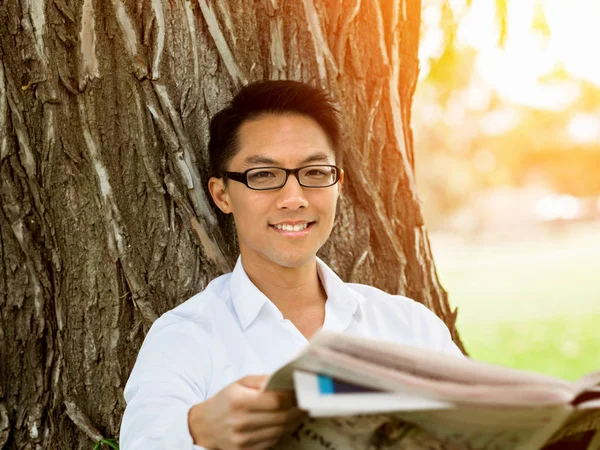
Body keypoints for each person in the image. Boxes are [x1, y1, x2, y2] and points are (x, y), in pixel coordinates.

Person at [119, 80, 462, 450]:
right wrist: (197, 430)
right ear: (222, 195)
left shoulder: (409, 328)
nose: (294, 198)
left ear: (338, 185)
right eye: (263, 175)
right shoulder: (184, 339)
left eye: (314, 173)